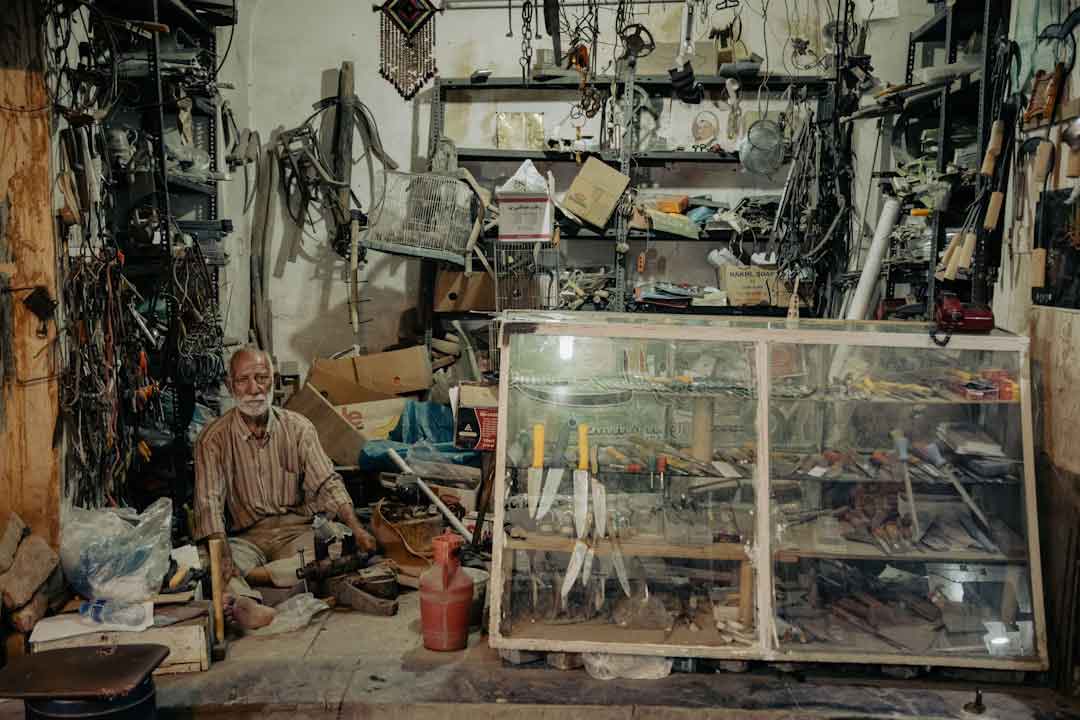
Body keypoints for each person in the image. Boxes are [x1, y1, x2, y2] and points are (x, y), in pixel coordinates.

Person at [194, 347, 376, 629]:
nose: (254, 389)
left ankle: (254, 579)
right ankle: (248, 601)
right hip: (245, 539)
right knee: (209, 562)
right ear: (230, 386)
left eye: (262, 378)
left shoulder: (298, 427)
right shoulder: (212, 440)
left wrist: (357, 526)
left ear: (274, 381)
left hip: (296, 533)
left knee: (340, 545)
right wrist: (225, 557)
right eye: (243, 380)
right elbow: (209, 504)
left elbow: (327, 482)